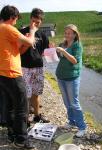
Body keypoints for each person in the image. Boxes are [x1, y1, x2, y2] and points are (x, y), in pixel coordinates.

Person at [0, 5, 37, 149]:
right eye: (16, 19)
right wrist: (32, 32)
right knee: (21, 106)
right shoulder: (7, 27)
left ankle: (12, 133)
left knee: (9, 105)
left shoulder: (2, 30)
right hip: (11, 73)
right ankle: (21, 140)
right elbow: (29, 42)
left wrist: (26, 41)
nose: (16, 22)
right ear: (12, 17)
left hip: (2, 73)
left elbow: (18, 50)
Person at [56, 24, 87, 137]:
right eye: (66, 33)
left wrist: (63, 52)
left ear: (74, 34)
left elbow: (74, 61)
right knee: (67, 102)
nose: (67, 35)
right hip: (61, 76)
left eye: (69, 33)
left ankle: (82, 127)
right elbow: (60, 58)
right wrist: (54, 51)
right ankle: (72, 122)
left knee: (74, 103)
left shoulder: (77, 45)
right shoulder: (63, 44)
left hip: (72, 78)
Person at [20, 8, 49, 123]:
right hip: (24, 67)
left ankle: (37, 116)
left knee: (36, 93)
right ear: (30, 18)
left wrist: (52, 50)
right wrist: (28, 40)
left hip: (38, 67)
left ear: (41, 21)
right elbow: (19, 52)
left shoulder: (43, 35)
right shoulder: (22, 32)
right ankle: (26, 119)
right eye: (34, 20)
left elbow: (44, 52)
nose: (35, 23)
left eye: (38, 22)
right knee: (26, 95)